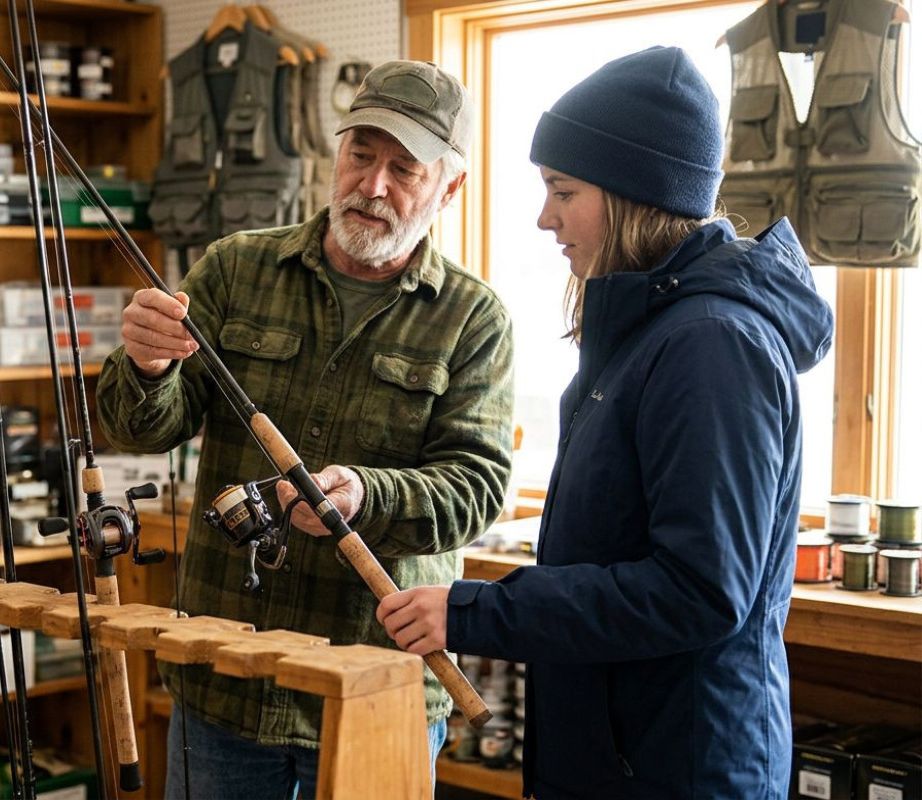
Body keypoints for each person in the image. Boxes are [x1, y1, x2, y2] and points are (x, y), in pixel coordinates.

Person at [376, 47, 834, 799]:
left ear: (633, 195)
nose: (543, 216)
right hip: (616, 754)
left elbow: (698, 592)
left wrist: (478, 611)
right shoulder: (648, 329)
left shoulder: (711, 345)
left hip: (674, 767)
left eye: (563, 190)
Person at [96, 60, 515, 798]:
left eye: (404, 169)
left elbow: (475, 490)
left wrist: (364, 495)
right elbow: (140, 430)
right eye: (361, 154)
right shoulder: (233, 269)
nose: (373, 186)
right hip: (226, 678)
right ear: (336, 154)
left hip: (374, 690)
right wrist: (147, 364)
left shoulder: (473, 319)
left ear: (449, 188)